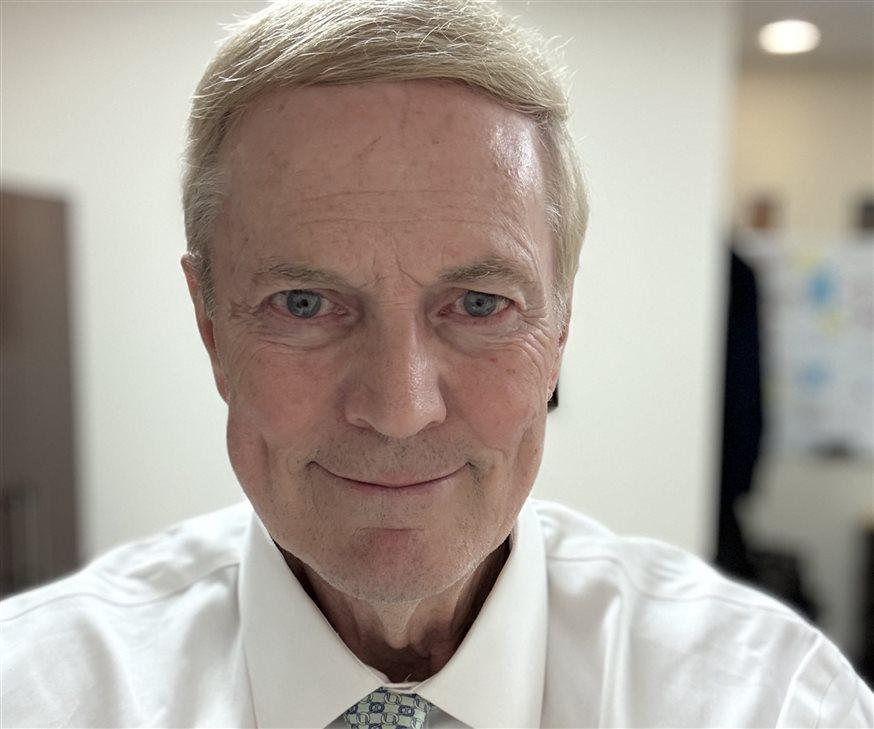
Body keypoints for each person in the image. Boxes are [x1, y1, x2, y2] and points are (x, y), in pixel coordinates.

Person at [1, 1, 871, 727]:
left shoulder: (768, 698)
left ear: (561, 325)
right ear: (209, 325)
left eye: (481, 305)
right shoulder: (38, 692)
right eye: (304, 303)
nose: (399, 406)